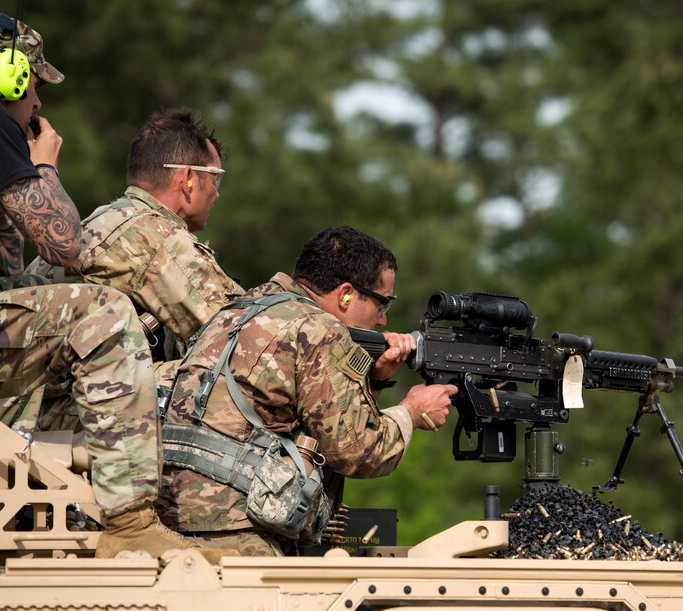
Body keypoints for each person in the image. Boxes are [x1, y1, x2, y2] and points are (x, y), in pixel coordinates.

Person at [0, 11, 226, 562]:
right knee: (98, 312)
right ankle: (130, 522)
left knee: (34, 292)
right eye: (34, 88)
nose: (38, 105)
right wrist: (41, 165)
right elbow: (66, 244)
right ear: (10, 76)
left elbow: (6, 259)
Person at [156, 225, 458, 555]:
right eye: (382, 304)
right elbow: (358, 452)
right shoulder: (319, 329)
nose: (383, 320)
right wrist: (411, 412)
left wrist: (373, 381)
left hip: (175, 518)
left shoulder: (240, 308)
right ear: (345, 294)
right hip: (238, 532)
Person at [27, 107, 243, 357]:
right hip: (81, 392)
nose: (216, 194)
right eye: (216, 179)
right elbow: (238, 333)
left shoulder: (105, 219)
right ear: (189, 179)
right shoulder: (152, 235)